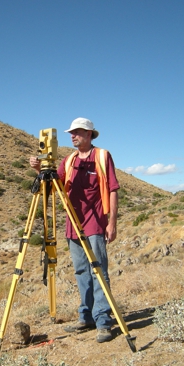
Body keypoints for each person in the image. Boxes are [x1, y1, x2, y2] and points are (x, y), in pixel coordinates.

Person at [29, 117, 119, 343]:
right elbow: (53, 187)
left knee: (99, 272)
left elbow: (113, 190)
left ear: (89, 134)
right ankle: (86, 316)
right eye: (71, 132)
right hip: (72, 225)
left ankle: (103, 321)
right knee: (81, 272)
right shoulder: (68, 161)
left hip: (95, 223)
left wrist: (112, 223)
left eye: (77, 132)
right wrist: (40, 169)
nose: (73, 136)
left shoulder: (102, 156)